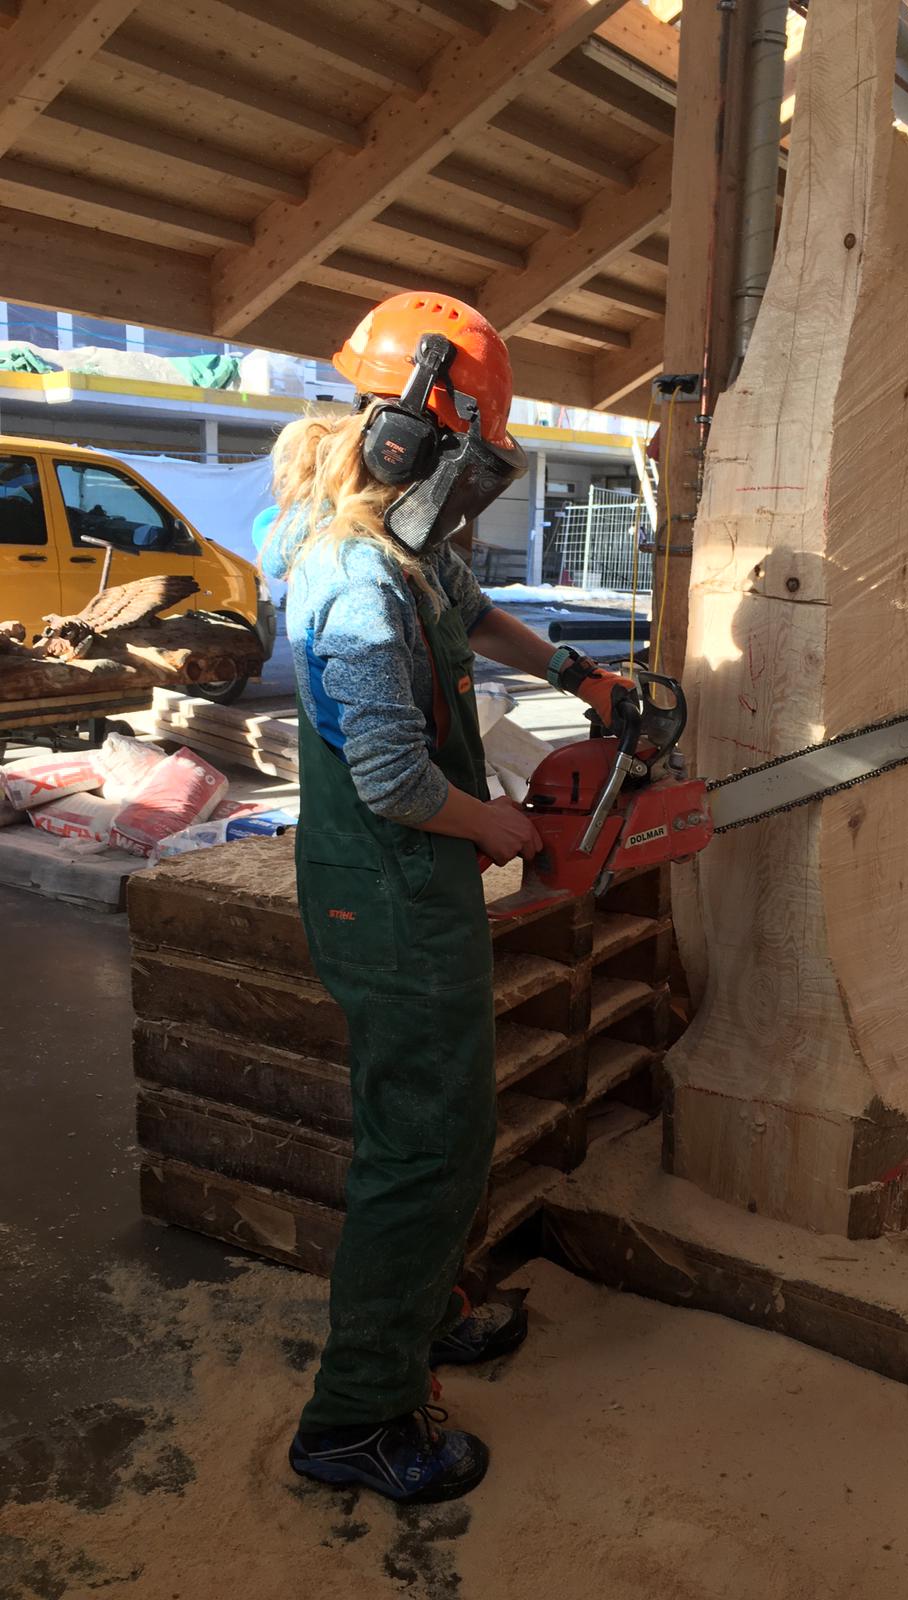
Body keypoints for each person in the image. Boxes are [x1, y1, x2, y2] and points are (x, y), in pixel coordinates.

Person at [259, 292, 635, 1506]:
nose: (474, 487)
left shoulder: (398, 552)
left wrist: (582, 672)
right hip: (390, 891)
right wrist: (502, 822)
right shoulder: (354, 580)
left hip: (405, 884)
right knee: (426, 1148)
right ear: (405, 439)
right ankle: (358, 1414)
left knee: (442, 1129)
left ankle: (422, 1316)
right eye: (469, 457)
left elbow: (467, 611)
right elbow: (389, 774)